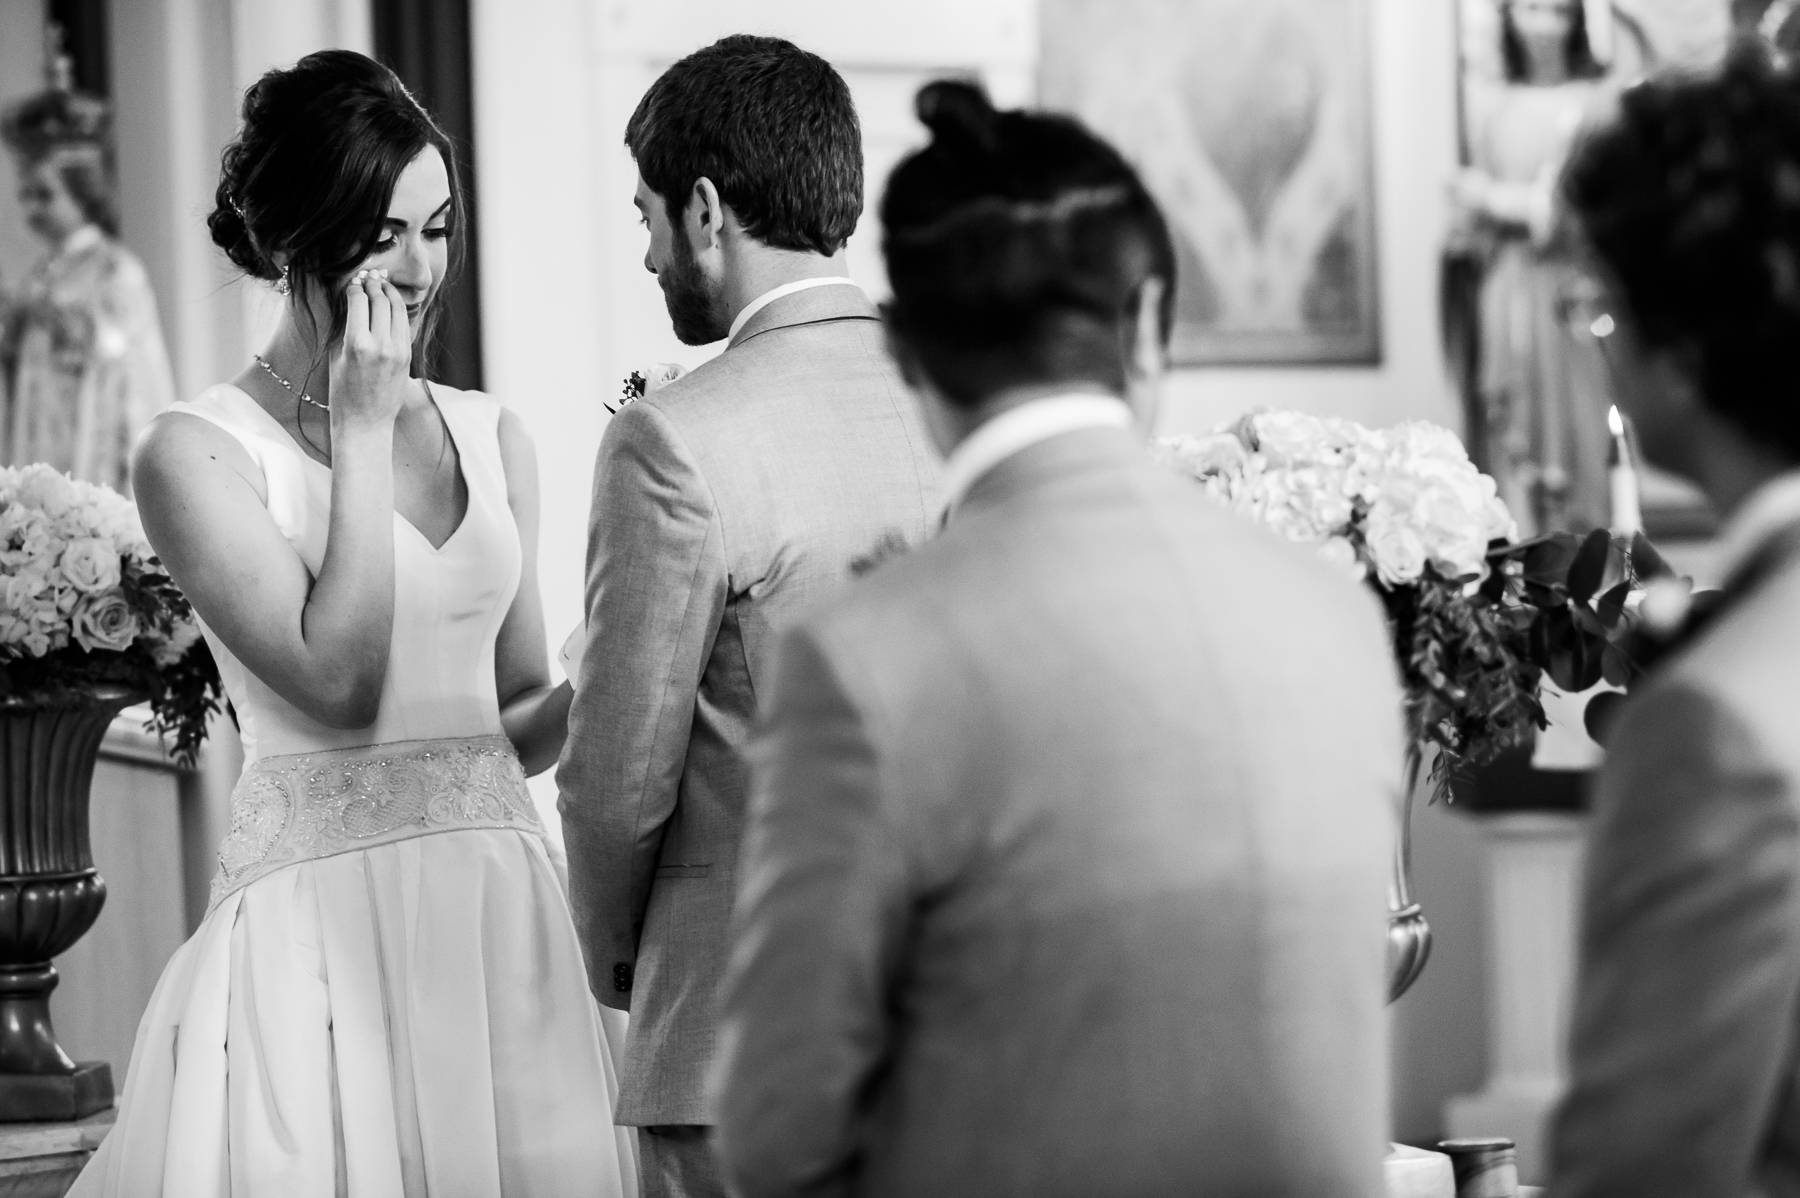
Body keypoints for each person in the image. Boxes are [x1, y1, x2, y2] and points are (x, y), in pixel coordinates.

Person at [712, 80, 1403, 1198]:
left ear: (911, 357)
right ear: (1142, 326)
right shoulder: (1333, 614)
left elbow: (777, 1130)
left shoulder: (868, 662)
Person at [70, 51, 636, 1197]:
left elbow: (514, 717)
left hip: (502, 927)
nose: (423, 268)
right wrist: (365, 434)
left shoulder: (493, 434)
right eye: (384, 234)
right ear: (296, 239)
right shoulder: (196, 452)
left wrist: (629, 654)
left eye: (436, 226)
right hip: (314, 949)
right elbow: (342, 681)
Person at [556, 35, 939, 1198]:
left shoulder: (674, 438)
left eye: (647, 217)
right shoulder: (962, 401)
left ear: (706, 210)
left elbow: (617, 776)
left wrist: (627, 962)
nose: (646, 252)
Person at [1548, 47, 1800, 1198]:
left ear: (1683, 356)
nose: (1595, 335)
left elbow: (1644, 1171)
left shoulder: (1719, 725)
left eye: (1602, 307)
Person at [1451, 0, 1619, 535]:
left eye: (1556, 11)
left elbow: (1586, 209)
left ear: (1576, 22)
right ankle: (1518, 557)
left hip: (1568, 289)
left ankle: (1583, 554)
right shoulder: (1496, 107)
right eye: (1529, 8)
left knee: (1575, 429)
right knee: (1507, 419)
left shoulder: (1595, 103)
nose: (1541, 26)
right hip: (1507, 283)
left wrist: (1495, 200)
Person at [1, 79, 175, 493]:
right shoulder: (39, 274)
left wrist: (79, 331)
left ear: (83, 189)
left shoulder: (115, 270)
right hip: (37, 437)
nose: (31, 209)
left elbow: (130, 366)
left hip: (90, 449)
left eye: (45, 195)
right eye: (25, 195)